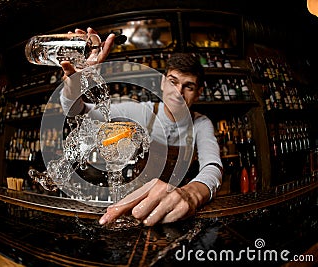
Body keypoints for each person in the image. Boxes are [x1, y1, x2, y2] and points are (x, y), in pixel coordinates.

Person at [60, 27, 222, 226]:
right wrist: (74, 85)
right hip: (131, 207)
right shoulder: (144, 112)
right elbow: (80, 112)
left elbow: (213, 166)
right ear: (162, 83)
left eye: (188, 86)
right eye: (173, 82)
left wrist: (191, 195)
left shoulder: (201, 123)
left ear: (198, 93)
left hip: (175, 211)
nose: (178, 92)